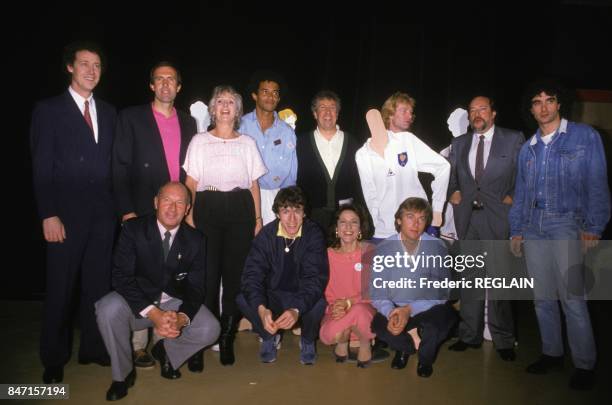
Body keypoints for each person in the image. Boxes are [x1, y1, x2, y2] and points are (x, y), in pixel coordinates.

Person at [509, 80, 610, 390]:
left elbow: (597, 182)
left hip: (566, 223)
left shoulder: (584, 137)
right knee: (542, 298)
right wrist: (516, 230)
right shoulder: (528, 147)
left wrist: (594, 225)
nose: (543, 107)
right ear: (530, 108)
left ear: (559, 103)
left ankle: (584, 364)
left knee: (572, 298)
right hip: (533, 226)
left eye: (549, 100)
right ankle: (551, 353)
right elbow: (521, 192)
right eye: (537, 102)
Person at [31, 41, 117, 384]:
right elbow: (41, 168)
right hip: (64, 217)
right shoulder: (48, 109)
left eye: (97, 65)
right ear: (70, 67)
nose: (91, 71)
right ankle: (53, 357)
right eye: (84, 64)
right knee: (60, 288)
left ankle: (93, 349)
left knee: (98, 287)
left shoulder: (109, 112)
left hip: (102, 217)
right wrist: (47, 214)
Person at [96, 182, 220, 401]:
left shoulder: (196, 240)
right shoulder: (133, 229)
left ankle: (167, 353)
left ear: (188, 209)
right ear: (155, 202)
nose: (172, 208)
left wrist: (182, 318)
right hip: (138, 304)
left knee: (210, 328)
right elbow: (121, 278)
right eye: (166, 201)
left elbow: (196, 288)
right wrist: (153, 313)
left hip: (172, 304)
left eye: (180, 203)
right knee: (107, 308)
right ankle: (122, 376)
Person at [113, 61, 197, 369]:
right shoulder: (131, 117)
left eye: (170, 79)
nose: (165, 84)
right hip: (141, 210)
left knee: (170, 272)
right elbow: (119, 167)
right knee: (140, 273)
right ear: (151, 85)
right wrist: (127, 211)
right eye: (159, 79)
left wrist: (188, 211)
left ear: (178, 86)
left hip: (175, 210)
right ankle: (138, 346)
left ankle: (164, 340)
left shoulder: (189, 123)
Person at [184, 85, 266, 366]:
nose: (226, 106)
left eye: (231, 101)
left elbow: (254, 185)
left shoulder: (248, 143)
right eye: (220, 101)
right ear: (212, 109)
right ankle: (198, 343)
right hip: (207, 208)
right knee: (206, 279)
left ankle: (226, 338)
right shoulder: (199, 141)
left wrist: (257, 219)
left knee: (234, 279)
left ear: (238, 110)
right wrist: (189, 214)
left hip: (240, 209)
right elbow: (191, 184)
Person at [447, 96, 524, 361]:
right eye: (472, 111)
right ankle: (469, 335)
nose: (477, 114)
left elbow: (524, 175)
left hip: (498, 218)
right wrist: (453, 192)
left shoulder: (513, 139)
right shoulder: (459, 143)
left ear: (493, 113)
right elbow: (451, 176)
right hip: (468, 219)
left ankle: (503, 339)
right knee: (471, 281)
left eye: (482, 109)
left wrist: (513, 197)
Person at [237, 186, 328, 365]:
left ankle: (308, 340)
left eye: (297, 211)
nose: (292, 219)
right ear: (278, 213)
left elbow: (315, 278)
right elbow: (251, 276)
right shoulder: (266, 236)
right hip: (274, 296)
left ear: (304, 213)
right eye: (286, 211)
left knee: (319, 302)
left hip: (300, 295)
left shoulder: (314, 234)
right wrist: (262, 309)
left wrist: (296, 309)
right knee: (243, 299)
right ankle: (268, 336)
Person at [371, 198, 457, 377]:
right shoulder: (384, 248)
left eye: (422, 218)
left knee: (441, 322)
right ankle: (406, 348)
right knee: (380, 326)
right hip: (396, 305)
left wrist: (410, 309)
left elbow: (442, 291)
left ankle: (425, 360)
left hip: (427, 306)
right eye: (410, 217)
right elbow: (377, 291)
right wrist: (390, 312)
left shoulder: (437, 247)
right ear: (399, 220)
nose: (416, 223)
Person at [356, 92, 450, 241]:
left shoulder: (408, 140)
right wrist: (378, 221)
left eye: (411, 112)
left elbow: (443, 167)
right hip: (386, 230)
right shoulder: (363, 153)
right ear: (390, 114)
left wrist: (437, 211)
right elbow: (369, 192)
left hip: (416, 225)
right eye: (404, 111)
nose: (409, 116)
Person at [297, 90, 366, 232]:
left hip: (345, 216)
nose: (328, 113)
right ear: (315, 114)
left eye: (332, 108)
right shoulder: (301, 143)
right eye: (322, 108)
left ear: (337, 113)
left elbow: (361, 181)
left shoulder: (352, 142)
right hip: (312, 217)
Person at [319, 204, 376, 368]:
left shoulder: (370, 251)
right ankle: (343, 340)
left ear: (360, 228)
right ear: (336, 227)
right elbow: (324, 291)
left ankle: (364, 342)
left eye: (354, 222)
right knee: (327, 335)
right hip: (337, 310)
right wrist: (335, 307)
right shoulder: (327, 254)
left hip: (365, 309)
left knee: (360, 311)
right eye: (343, 222)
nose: (348, 227)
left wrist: (349, 303)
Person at [240, 70, 297, 225]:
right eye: (265, 92)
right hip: (244, 196)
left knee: (272, 246)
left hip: (276, 197)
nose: (270, 97)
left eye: (275, 93)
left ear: (278, 98)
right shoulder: (240, 126)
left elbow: (291, 175)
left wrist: (288, 205)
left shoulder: (287, 132)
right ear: (254, 95)